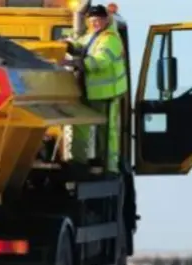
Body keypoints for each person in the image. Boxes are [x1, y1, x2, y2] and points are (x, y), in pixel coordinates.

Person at [61, 5, 128, 173]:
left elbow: (100, 61)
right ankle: (78, 161)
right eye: (92, 20)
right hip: (87, 91)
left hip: (105, 94)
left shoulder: (110, 39)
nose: (95, 23)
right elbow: (78, 45)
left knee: (105, 132)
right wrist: (68, 45)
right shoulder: (91, 36)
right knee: (80, 126)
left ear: (106, 20)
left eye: (98, 20)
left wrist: (77, 63)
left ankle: (108, 165)